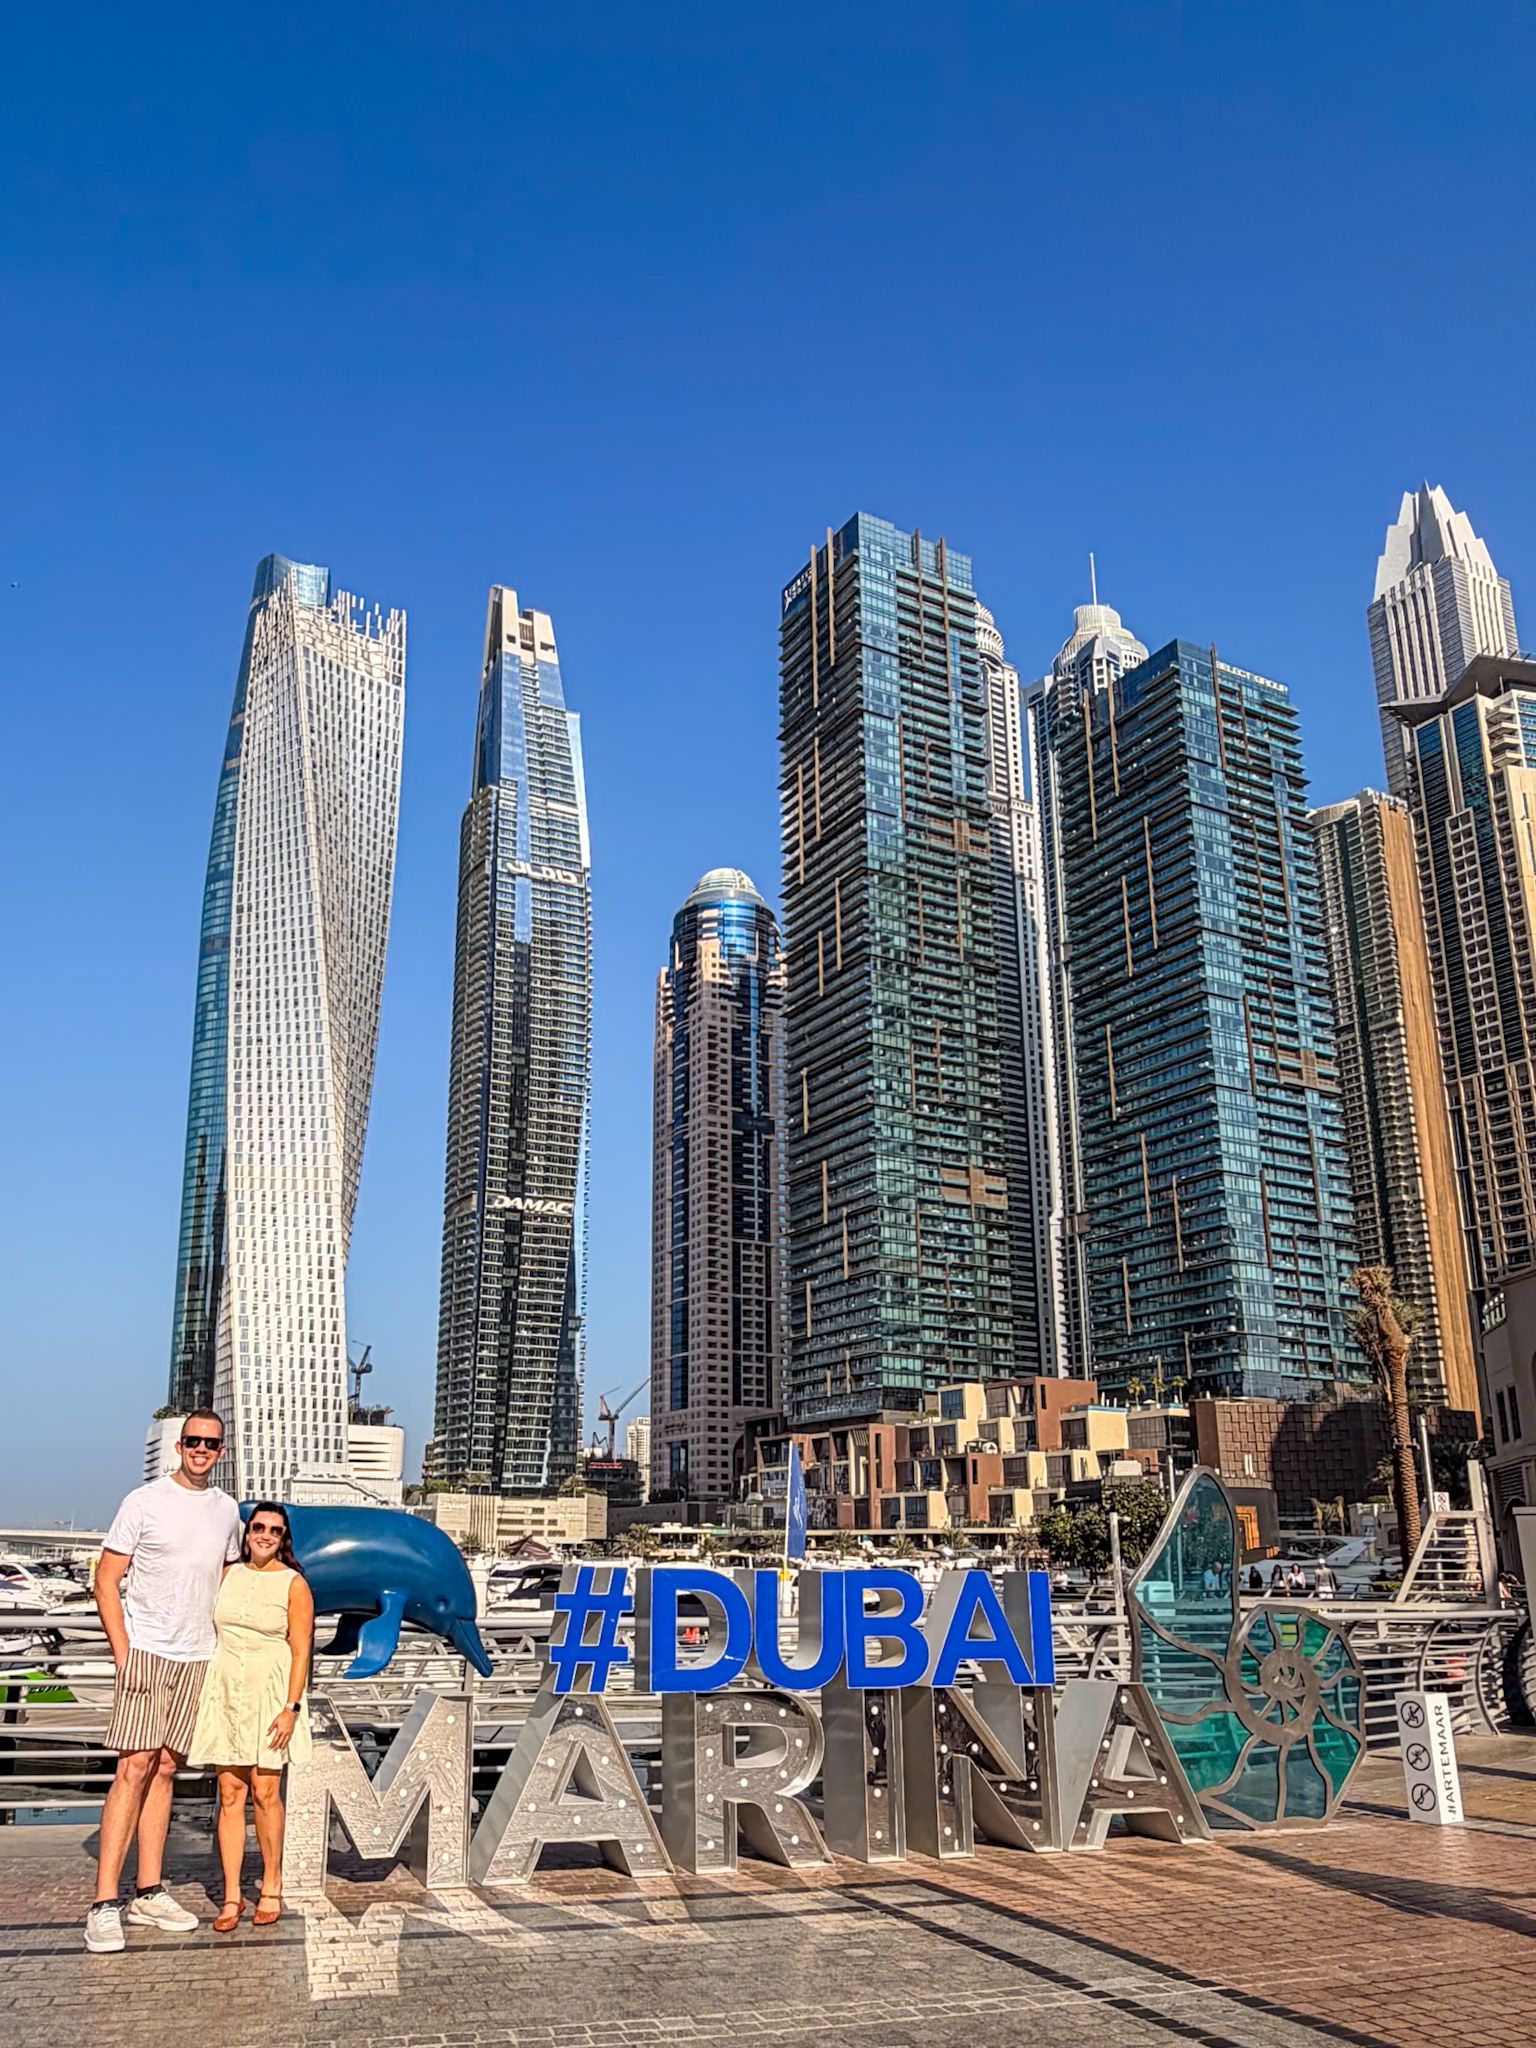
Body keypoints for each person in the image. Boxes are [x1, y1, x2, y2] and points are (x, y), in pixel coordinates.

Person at [87, 1411, 243, 1954]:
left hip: (199, 1656)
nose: (201, 1449)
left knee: (168, 1768)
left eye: (211, 1443)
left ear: (222, 1450)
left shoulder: (227, 1511)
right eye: (193, 1441)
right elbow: (106, 1580)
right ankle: (104, 1903)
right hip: (148, 1651)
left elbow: (226, 1580)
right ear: (179, 1446)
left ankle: (148, 1891)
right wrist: (123, 1652)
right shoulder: (143, 1501)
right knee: (133, 1767)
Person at [188, 1501, 314, 1930]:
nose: (264, 1535)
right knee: (228, 1793)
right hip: (226, 1691)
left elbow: (301, 1650)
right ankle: (231, 1896)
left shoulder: (294, 1584)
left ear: (284, 1539)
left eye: (274, 1530)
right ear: (247, 1532)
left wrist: (291, 1708)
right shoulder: (229, 1575)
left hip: (270, 1693)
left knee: (264, 1792)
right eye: (258, 1527)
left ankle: (271, 1886)